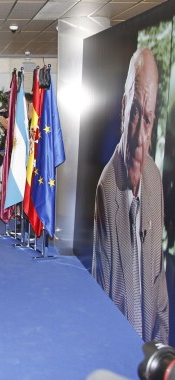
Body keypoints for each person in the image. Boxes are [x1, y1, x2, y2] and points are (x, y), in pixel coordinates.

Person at [92, 47, 168, 343]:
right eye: (136, 112)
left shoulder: (154, 176)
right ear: (124, 109)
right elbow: (104, 287)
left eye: (147, 119)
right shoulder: (107, 188)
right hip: (119, 340)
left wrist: (161, 353)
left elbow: (158, 282)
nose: (139, 136)